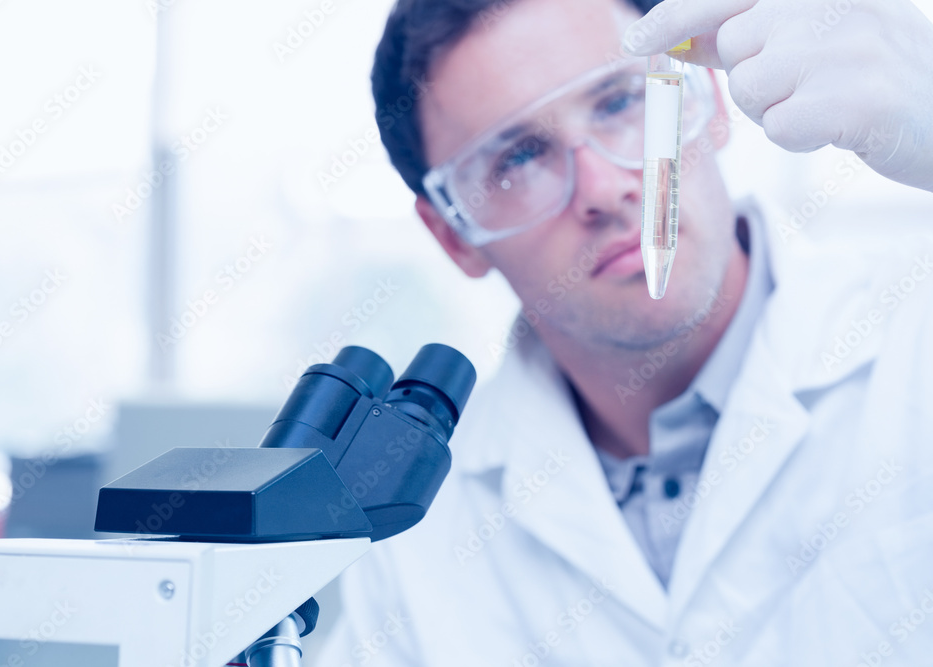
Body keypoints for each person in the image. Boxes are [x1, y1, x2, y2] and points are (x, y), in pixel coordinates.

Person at [318, 0, 933, 664]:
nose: (604, 189)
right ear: (452, 234)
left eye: (618, 103)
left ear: (713, 100)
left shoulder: (913, 336)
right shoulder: (414, 523)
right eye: (519, 156)